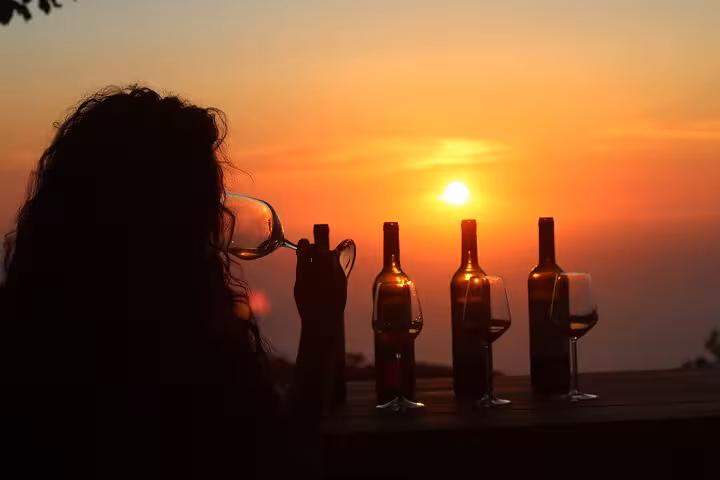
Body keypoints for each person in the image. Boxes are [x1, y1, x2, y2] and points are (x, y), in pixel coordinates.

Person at [0, 86, 347, 479]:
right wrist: (320, 328)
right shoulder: (189, 354)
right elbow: (280, 462)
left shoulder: (31, 339)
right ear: (171, 218)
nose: (216, 220)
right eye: (206, 201)